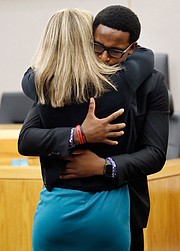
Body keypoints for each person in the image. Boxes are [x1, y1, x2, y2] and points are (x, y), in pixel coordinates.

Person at [18, 5, 169, 251]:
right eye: (96, 47)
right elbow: (27, 138)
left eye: (115, 51)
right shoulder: (60, 86)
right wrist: (78, 134)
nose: (103, 58)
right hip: (79, 207)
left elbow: (155, 154)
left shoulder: (151, 82)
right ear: (87, 41)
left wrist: (104, 166)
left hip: (126, 204)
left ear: (132, 48)